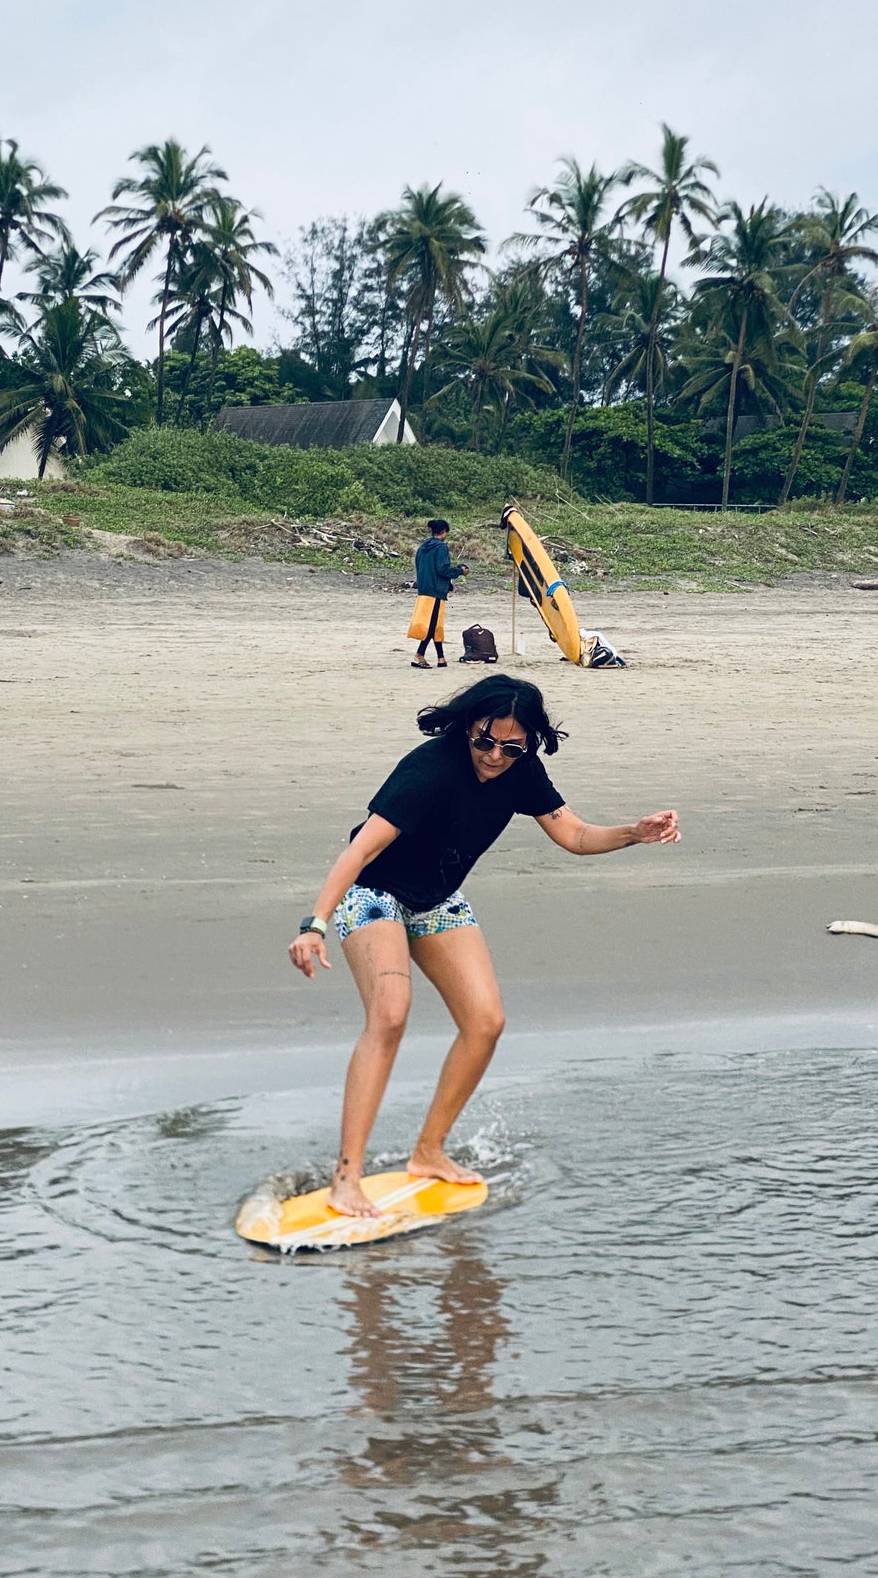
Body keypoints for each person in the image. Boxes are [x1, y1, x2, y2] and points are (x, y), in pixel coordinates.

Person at [287, 675, 681, 1216]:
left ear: (529, 743)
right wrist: (315, 924)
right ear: (468, 727)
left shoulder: (521, 769)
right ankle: (347, 1178)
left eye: (510, 747)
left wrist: (635, 833)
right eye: (484, 741)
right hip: (374, 892)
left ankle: (428, 1153)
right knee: (390, 1016)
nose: (495, 756)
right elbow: (358, 853)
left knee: (486, 1021)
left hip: (437, 897)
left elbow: (575, 836)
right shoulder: (429, 770)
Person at [410, 518, 468, 669]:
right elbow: (442, 569)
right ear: (443, 532)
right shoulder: (441, 547)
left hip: (424, 589)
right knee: (431, 625)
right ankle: (419, 655)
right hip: (435, 591)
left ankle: (441, 658)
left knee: (435, 625)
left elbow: (422, 567)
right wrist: (460, 571)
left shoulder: (423, 547)